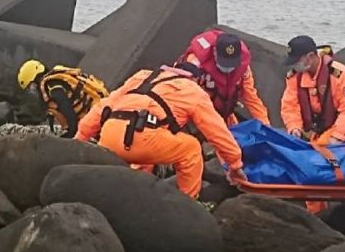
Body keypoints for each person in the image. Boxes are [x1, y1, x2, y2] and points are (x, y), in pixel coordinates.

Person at [76, 62, 246, 199]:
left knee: (154, 142)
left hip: (109, 135)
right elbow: (217, 132)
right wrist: (235, 164)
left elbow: (103, 107)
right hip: (144, 138)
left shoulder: (141, 77)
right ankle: (188, 203)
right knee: (191, 148)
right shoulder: (191, 89)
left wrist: (79, 139)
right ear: (196, 79)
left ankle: (137, 187)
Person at [280, 35, 345, 145]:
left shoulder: (339, 75)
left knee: (323, 147)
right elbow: (290, 106)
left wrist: (336, 136)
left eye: (297, 61)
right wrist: (294, 127)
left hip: (343, 125)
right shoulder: (294, 77)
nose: (295, 65)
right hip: (316, 126)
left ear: (310, 56)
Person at [179, 29, 270, 125]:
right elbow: (183, 98)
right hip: (195, 115)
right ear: (214, 52)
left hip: (222, 113)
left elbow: (251, 98)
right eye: (225, 63)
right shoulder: (194, 64)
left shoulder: (243, 69)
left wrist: (266, 126)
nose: (228, 68)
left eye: (232, 64)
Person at [17, 60, 108, 138]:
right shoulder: (56, 79)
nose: (32, 90)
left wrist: (72, 133)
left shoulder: (51, 86)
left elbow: (67, 108)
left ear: (35, 79)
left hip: (96, 118)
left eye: (30, 86)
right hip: (102, 111)